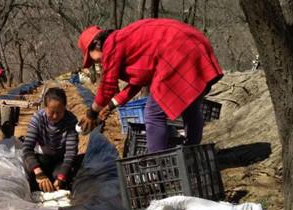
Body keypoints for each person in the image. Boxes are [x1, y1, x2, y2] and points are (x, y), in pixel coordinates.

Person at [77, 18, 223, 153]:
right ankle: (192, 152)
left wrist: (92, 114)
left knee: (153, 114)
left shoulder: (111, 45)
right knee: (190, 106)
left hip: (177, 52)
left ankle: (158, 165)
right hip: (193, 43)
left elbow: (107, 87)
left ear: (95, 44)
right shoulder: (121, 40)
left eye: (94, 60)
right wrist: (109, 107)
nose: (99, 63)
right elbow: (136, 84)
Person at [23, 87, 80, 192]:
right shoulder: (38, 119)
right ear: (45, 108)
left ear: (65, 108)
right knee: (30, 171)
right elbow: (27, 149)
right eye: (51, 112)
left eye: (59, 112)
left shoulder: (71, 120)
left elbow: (71, 152)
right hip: (42, 158)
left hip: (60, 160)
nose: (54, 116)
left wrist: (61, 177)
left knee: (65, 176)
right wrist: (38, 172)